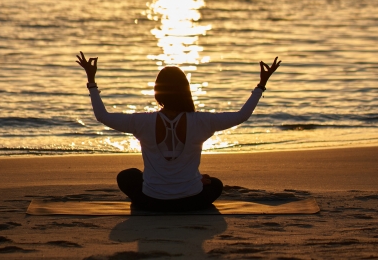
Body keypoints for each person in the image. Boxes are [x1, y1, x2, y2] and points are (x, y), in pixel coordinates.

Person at [76, 52, 281, 212]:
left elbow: (102, 115)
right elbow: (241, 115)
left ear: (157, 92)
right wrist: (261, 85)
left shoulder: (141, 122)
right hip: (191, 201)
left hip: (151, 202)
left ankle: (176, 186)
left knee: (127, 177)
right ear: (186, 90)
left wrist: (91, 81)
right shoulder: (202, 121)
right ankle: (192, 181)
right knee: (216, 185)